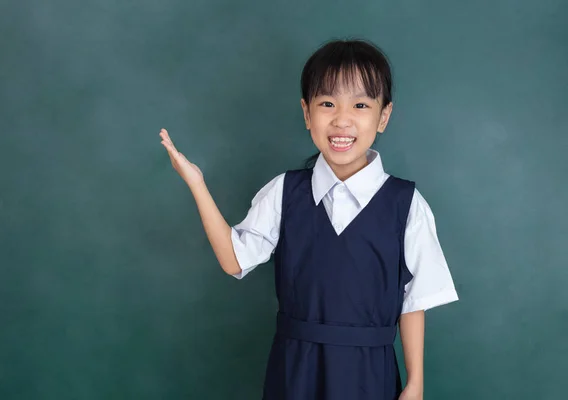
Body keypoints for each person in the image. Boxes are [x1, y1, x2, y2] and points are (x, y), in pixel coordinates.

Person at [160, 38, 458, 400]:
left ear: (383, 116)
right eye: (327, 103)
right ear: (307, 113)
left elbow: (414, 301)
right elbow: (233, 259)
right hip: (294, 371)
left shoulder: (406, 203)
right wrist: (197, 184)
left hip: (369, 373)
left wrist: (415, 384)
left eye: (360, 104)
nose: (342, 119)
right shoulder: (284, 192)